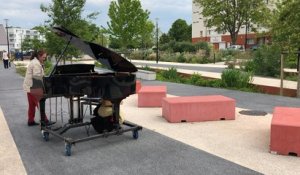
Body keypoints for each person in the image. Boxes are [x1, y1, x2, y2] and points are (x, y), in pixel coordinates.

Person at [23, 49, 51, 126]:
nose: (44, 59)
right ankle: (45, 120)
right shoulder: (36, 64)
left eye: (45, 57)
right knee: (40, 104)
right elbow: (37, 77)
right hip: (33, 87)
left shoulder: (35, 62)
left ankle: (30, 120)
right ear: (39, 56)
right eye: (43, 57)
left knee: (32, 105)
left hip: (29, 86)